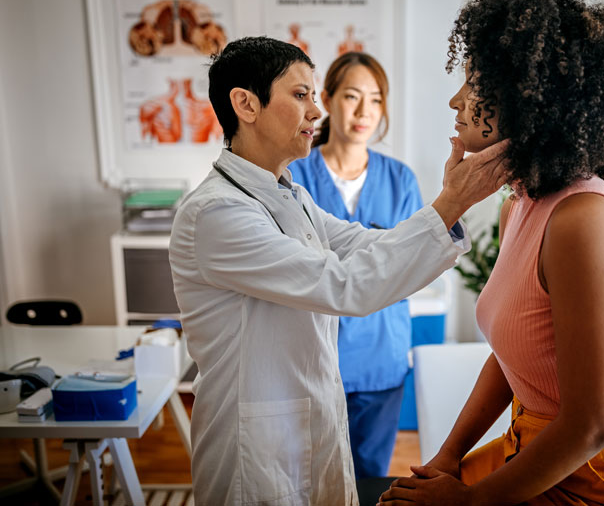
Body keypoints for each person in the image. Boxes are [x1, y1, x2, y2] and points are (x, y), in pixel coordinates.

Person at [168, 36, 508, 506]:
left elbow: (366, 245)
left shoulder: (291, 197)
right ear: (246, 104)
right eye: (301, 95)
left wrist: (450, 206)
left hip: (309, 422)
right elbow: (344, 285)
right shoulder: (216, 214)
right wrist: (453, 201)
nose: (316, 112)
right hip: (257, 446)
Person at [379, 0, 604, 506]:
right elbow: (518, 354)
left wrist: (466, 501)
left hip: (599, 477)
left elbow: (592, 426)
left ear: (527, 98)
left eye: (474, 83)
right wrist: (448, 454)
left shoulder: (582, 221)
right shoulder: (519, 202)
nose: (456, 100)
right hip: (535, 444)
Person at [288, 52, 421, 480]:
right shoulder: (294, 176)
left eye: (376, 99)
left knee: (368, 475)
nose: (365, 111)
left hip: (381, 357)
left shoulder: (401, 180)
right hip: (311, 358)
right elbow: (292, 267)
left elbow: (413, 267)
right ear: (326, 98)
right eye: (351, 96)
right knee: (309, 475)